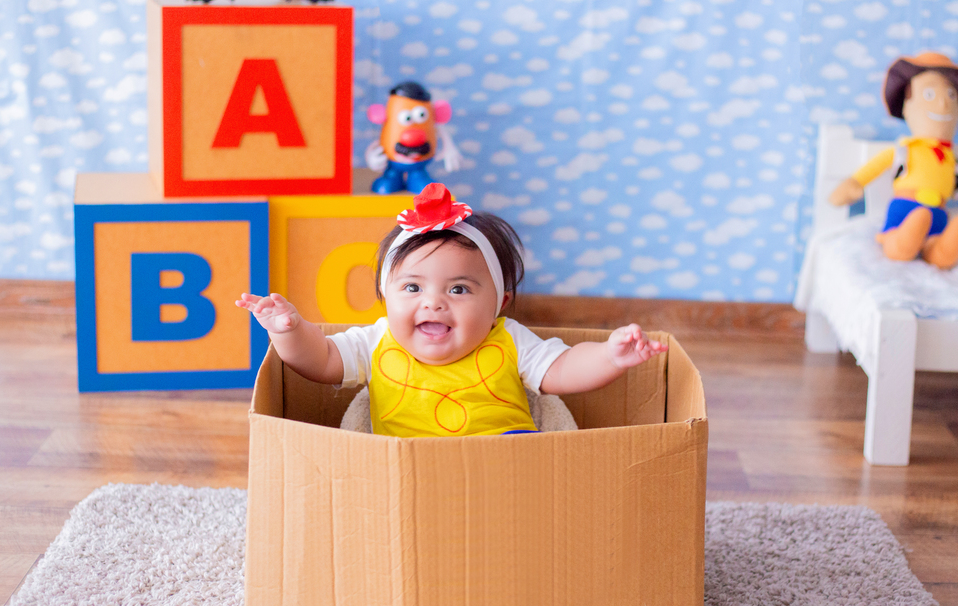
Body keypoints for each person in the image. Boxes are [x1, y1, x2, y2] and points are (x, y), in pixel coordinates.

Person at [236, 183, 666, 437]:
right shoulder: (376, 341)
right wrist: (289, 332)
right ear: (386, 299)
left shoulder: (509, 339)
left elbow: (565, 369)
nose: (433, 302)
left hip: (504, 472)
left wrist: (610, 356)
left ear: (499, 304)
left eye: (459, 288)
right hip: (406, 473)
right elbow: (320, 360)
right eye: (412, 287)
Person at [827, 52, 958, 269]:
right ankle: (899, 242)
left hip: (939, 214)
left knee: (941, 237)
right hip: (904, 209)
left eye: (951, 95)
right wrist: (854, 183)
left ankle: (940, 251)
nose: (943, 103)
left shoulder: (952, 161)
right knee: (903, 233)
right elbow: (874, 167)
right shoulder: (904, 150)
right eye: (929, 94)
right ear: (907, 105)